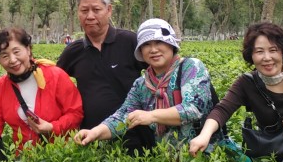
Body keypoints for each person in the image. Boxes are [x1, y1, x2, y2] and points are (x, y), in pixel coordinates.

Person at [188, 22, 283, 161]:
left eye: (273, 50)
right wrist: (204, 135)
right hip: (274, 152)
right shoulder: (247, 83)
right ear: (251, 56)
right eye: (259, 51)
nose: (267, 57)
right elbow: (222, 110)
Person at [74, 19, 214, 149]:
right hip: (167, 158)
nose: (153, 50)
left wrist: (151, 116)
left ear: (171, 44)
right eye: (146, 44)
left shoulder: (190, 67)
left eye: (159, 42)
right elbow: (123, 116)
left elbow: (194, 108)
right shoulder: (142, 84)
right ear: (140, 51)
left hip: (206, 155)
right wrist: (95, 132)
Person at [57, 0, 149, 152]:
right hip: (91, 138)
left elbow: (160, 73)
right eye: (84, 11)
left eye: (96, 9)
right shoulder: (73, 51)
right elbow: (54, 84)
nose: (90, 16)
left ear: (109, 10)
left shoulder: (130, 41)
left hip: (135, 136)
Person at [0, 27, 83, 155]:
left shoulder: (55, 75)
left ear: (28, 49)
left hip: (59, 155)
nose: (13, 60)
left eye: (16, 51)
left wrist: (52, 127)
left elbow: (75, 113)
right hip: (23, 161)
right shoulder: (2, 87)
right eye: (5, 56)